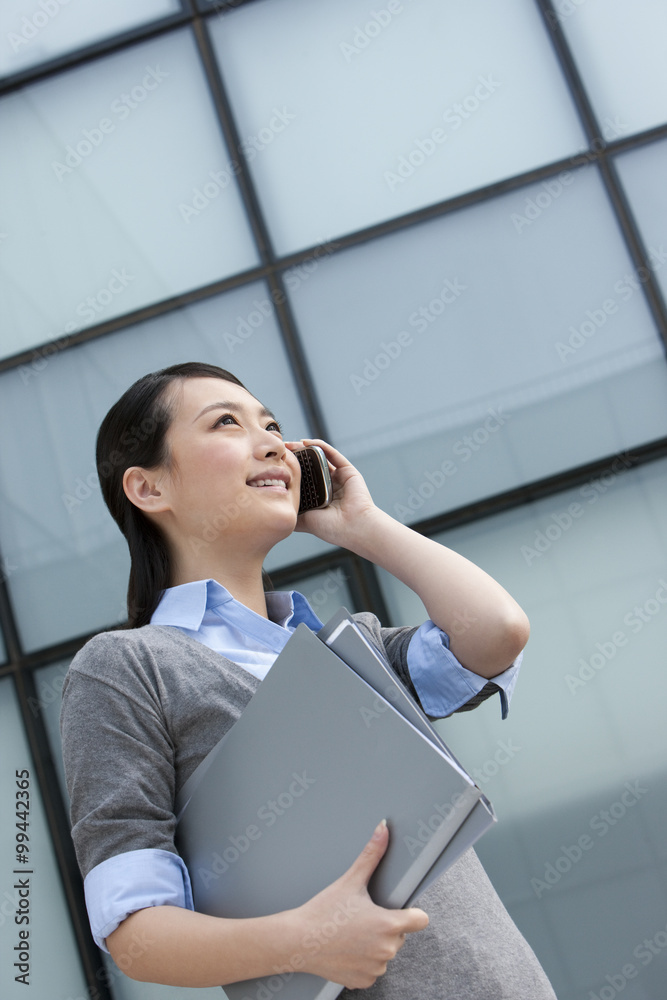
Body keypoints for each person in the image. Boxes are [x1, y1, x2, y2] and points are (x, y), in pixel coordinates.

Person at [61, 361, 557, 998]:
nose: (272, 442)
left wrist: (363, 528)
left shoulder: (350, 648)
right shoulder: (125, 669)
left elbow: (496, 631)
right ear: (148, 489)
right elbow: (136, 932)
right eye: (227, 424)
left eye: (272, 425)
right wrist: (304, 941)